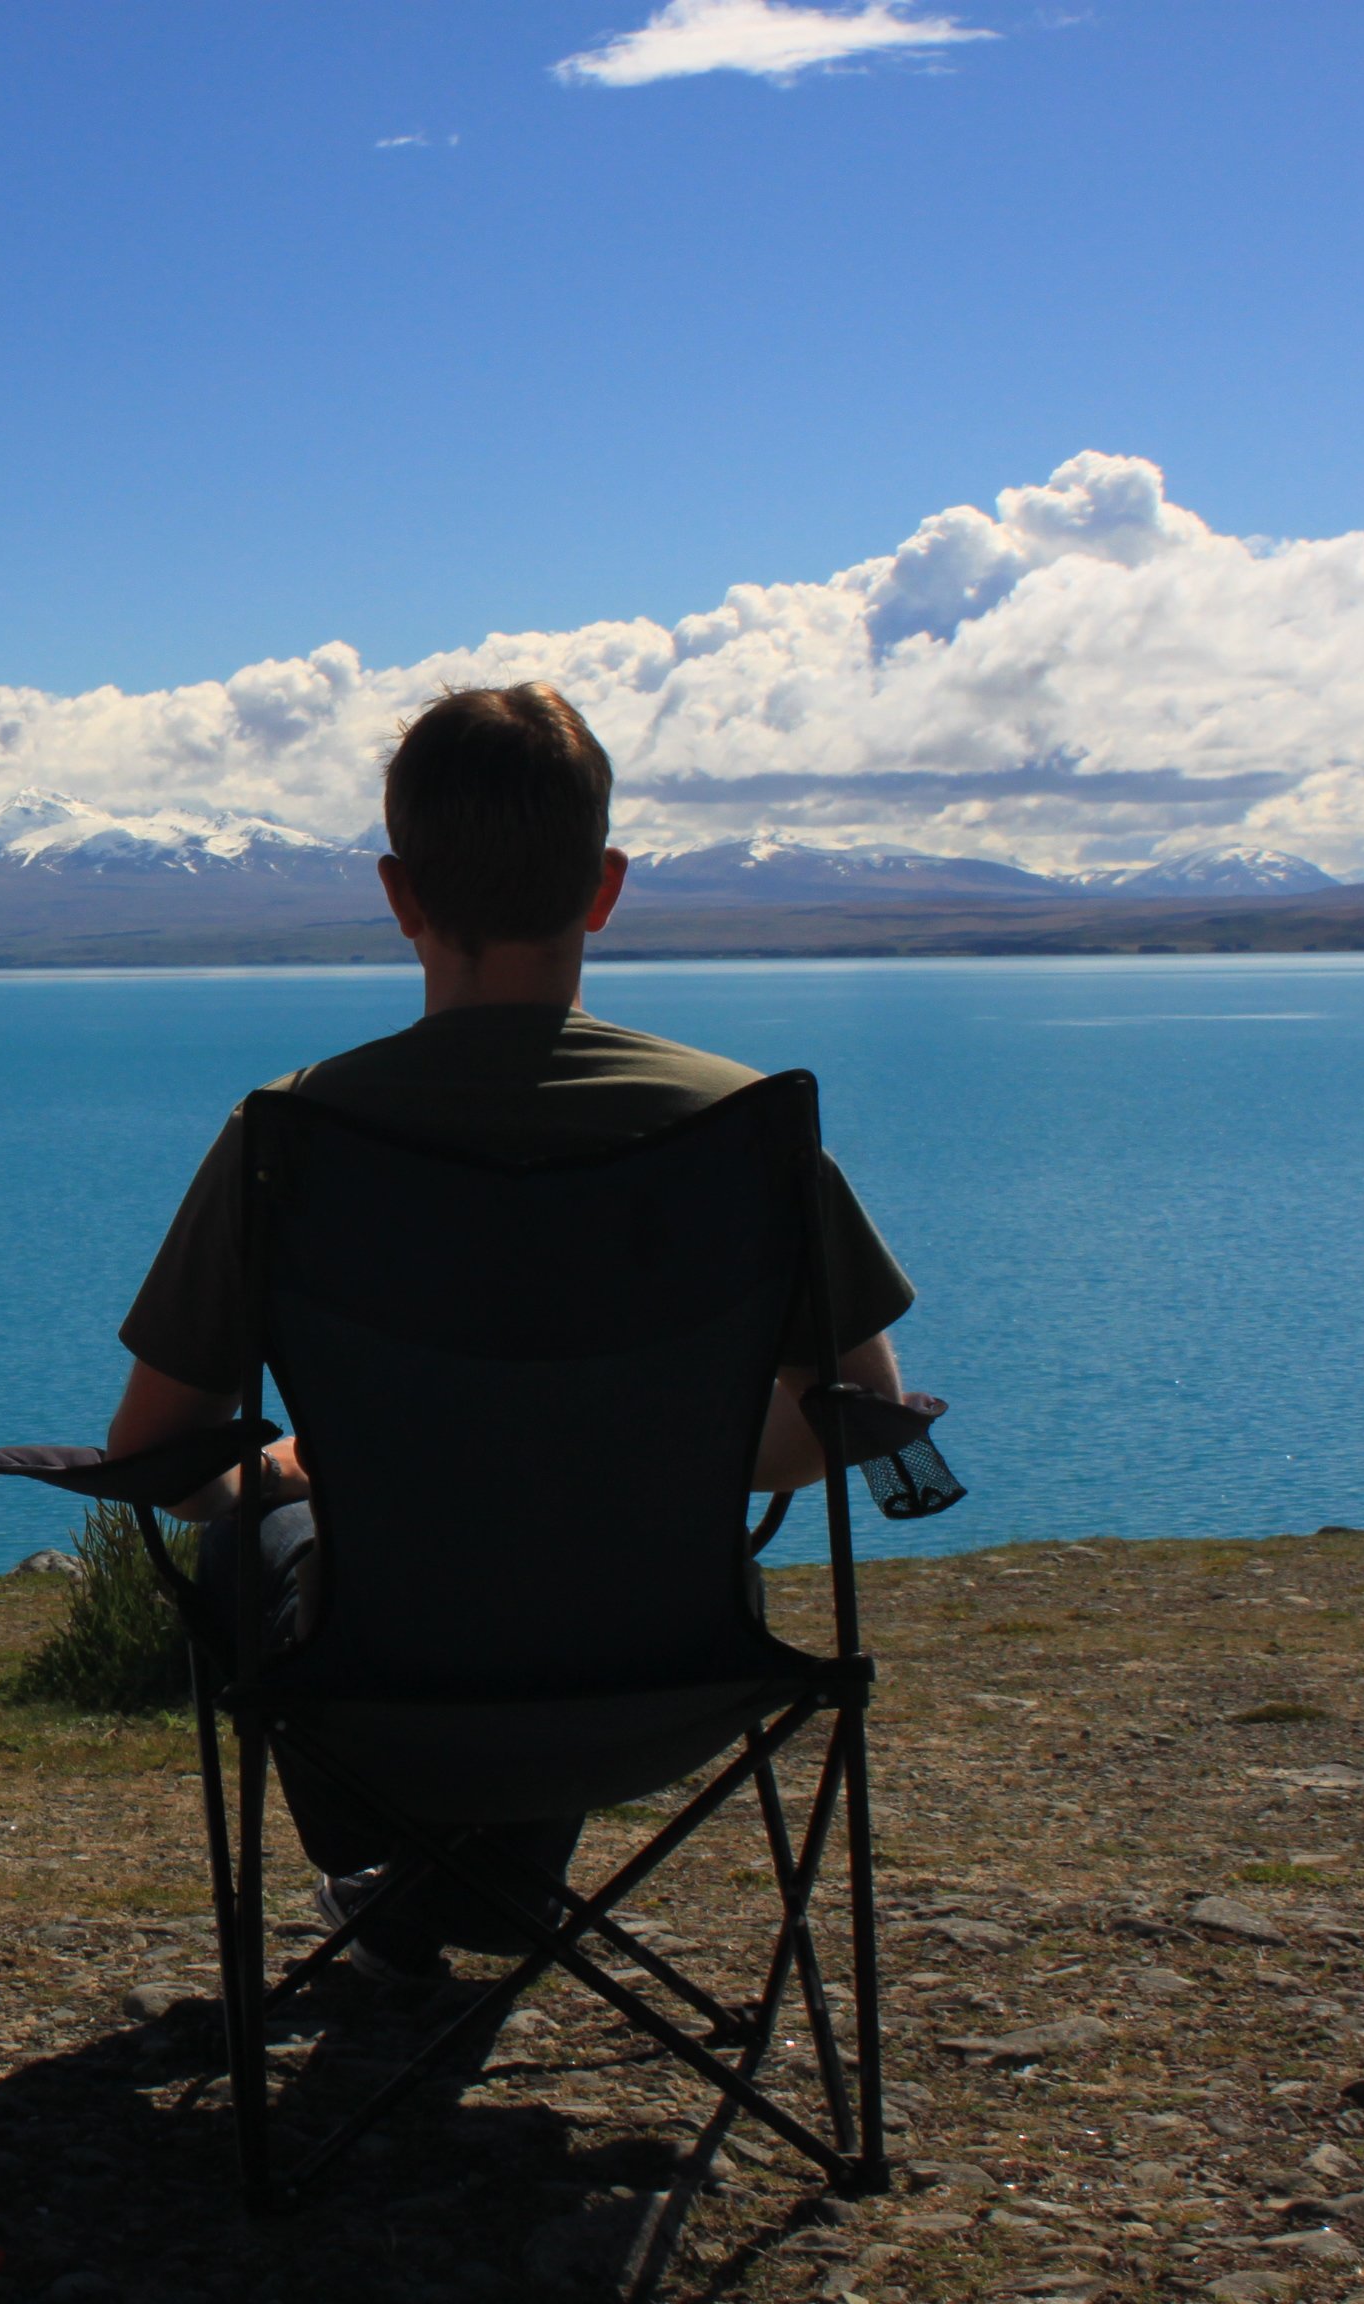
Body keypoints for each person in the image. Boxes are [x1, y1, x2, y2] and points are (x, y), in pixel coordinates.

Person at [106, 683, 940, 1983]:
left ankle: (411, 1873)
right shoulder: (744, 1130)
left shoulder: (291, 1139)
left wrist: (289, 1472)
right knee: (565, 1535)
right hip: (671, 1682)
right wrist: (653, 1452)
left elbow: (161, 1454)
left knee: (253, 1547)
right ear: (605, 887)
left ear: (401, 896)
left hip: (379, 1697)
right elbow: (853, 1414)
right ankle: (483, 1881)